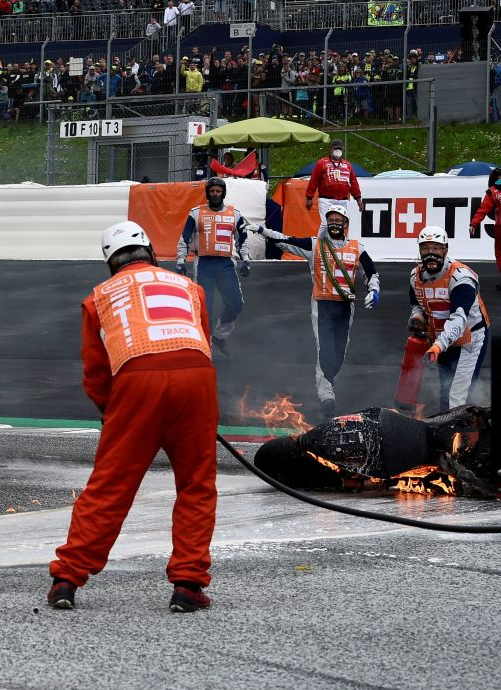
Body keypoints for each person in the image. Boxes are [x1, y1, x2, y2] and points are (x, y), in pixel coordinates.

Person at [47, 221, 218, 614]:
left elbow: (95, 372)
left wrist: (114, 415)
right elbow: (203, 342)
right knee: (196, 483)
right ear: (150, 254)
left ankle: (67, 579)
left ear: (111, 262)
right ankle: (188, 584)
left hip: (136, 381)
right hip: (196, 377)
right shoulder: (191, 287)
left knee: (110, 485)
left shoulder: (98, 298)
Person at [252, 207, 381, 418]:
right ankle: (326, 397)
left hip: (345, 306)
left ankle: (329, 381)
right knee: (325, 349)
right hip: (322, 305)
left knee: (339, 352)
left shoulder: (358, 248)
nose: (335, 223)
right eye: (331, 220)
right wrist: (262, 230)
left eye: (339, 220)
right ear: (326, 223)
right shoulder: (315, 245)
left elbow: (371, 272)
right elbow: (287, 241)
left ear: (346, 224)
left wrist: (374, 290)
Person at [407, 226, 491, 410]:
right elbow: (417, 305)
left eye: (436, 248)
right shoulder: (415, 277)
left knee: (458, 396)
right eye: (425, 248)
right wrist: (417, 318)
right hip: (441, 339)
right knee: (445, 390)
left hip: (470, 339)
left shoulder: (461, 277)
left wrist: (438, 345)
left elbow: (459, 319)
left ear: (445, 249)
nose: (431, 254)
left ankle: (466, 436)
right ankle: (450, 435)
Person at [175, 177, 260, 356]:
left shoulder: (235, 214)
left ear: (223, 193)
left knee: (236, 304)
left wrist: (246, 260)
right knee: (205, 308)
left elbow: (242, 240)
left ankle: (220, 336)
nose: (215, 194)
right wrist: (180, 261)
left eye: (218, 191)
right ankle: (205, 349)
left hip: (226, 264)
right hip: (204, 264)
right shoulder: (195, 213)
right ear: (208, 193)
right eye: (212, 191)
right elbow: (184, 238)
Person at [305, 139, 364, 236]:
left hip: (343, 200)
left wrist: (358, 199)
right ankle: (320, 245)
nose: (338, 150)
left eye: (340, 148)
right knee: (325, 224)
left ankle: (341, 245)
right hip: (326, 200)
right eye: (335, 148)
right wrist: (309, 197)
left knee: (343, 224)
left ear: (343, 149)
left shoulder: (347, 165)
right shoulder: (322, 163)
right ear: (330, 149)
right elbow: (314, 180)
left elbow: (353, 182)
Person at [468, 167, 501, 286]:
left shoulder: (492, 191)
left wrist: (474, 223)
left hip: (500, 227)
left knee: (499, 253)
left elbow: (483, 209)